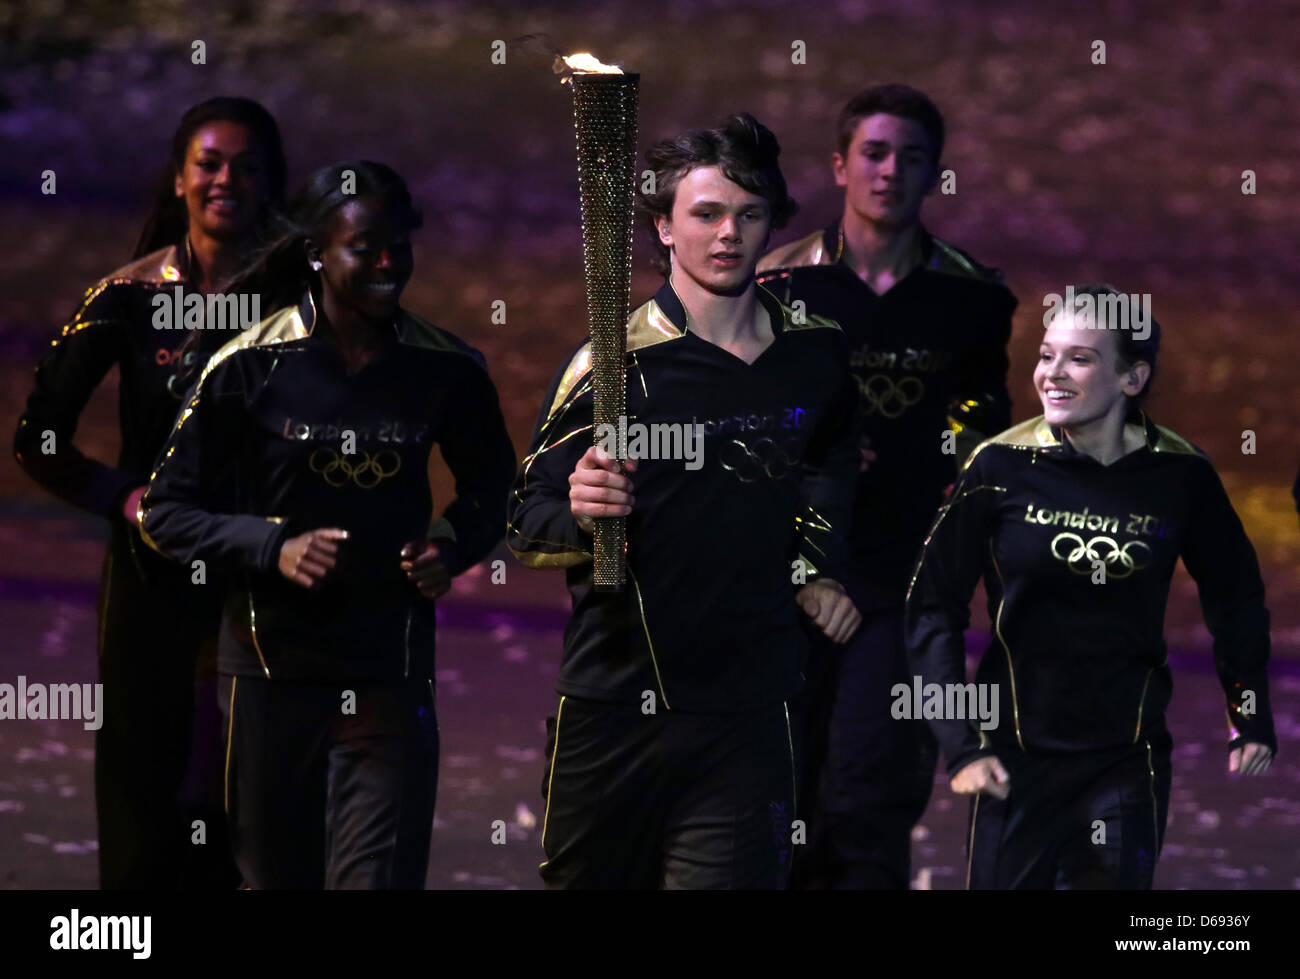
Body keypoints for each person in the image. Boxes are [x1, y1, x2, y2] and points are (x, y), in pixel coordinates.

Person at [138, 161, 517, 889]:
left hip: (389, 669)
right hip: (271, 672)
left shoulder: (446, 369)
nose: (387, 263)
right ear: (316, 250)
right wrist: (272, 544)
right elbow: (166, 511)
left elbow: (498, 488)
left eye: (399, 246)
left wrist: (452, 545)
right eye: (365, 246)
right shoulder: (247, 366)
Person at [507, 113, 862, 889]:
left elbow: (830, 465)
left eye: (750, 213)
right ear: (664, 226)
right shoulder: (612, 363)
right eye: (706, 213)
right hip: (613, 704)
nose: (729, 233)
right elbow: (523, 523)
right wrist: (582, 509)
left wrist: (817, 566)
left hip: (752, 708)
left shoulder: (815, 351)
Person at [905, 285, 1276, 889]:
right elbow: (931, 607)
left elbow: (1234, 595)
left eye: (1079, 358)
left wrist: (1249, 713)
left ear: (1132, 379)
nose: (1052, 374)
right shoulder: (998, 467)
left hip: (1127, 761)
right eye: (1046, 355)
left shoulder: (1180, 474)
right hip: (1013, 763)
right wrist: (962, 744)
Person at [13, 96, 287, 889]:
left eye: (246, 165)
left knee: (241, 795)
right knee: (146, 787)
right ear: (179, 179)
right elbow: (38, 440)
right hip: (151, 579)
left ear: (270, 182)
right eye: (209, 163)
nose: (226, 179)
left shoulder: (302, 296)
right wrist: (126, 499)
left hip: (264, 574)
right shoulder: (128, 296)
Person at [756, 83, 1017, 889]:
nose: (890, 171)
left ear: (936, 173)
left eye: (912, 157)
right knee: (775, 793)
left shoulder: (971, 299)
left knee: (869, 796)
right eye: (873, 152)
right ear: (840, 165)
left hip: (902, 582)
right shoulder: (777, 286)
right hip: (786, 574)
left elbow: (983, 436)